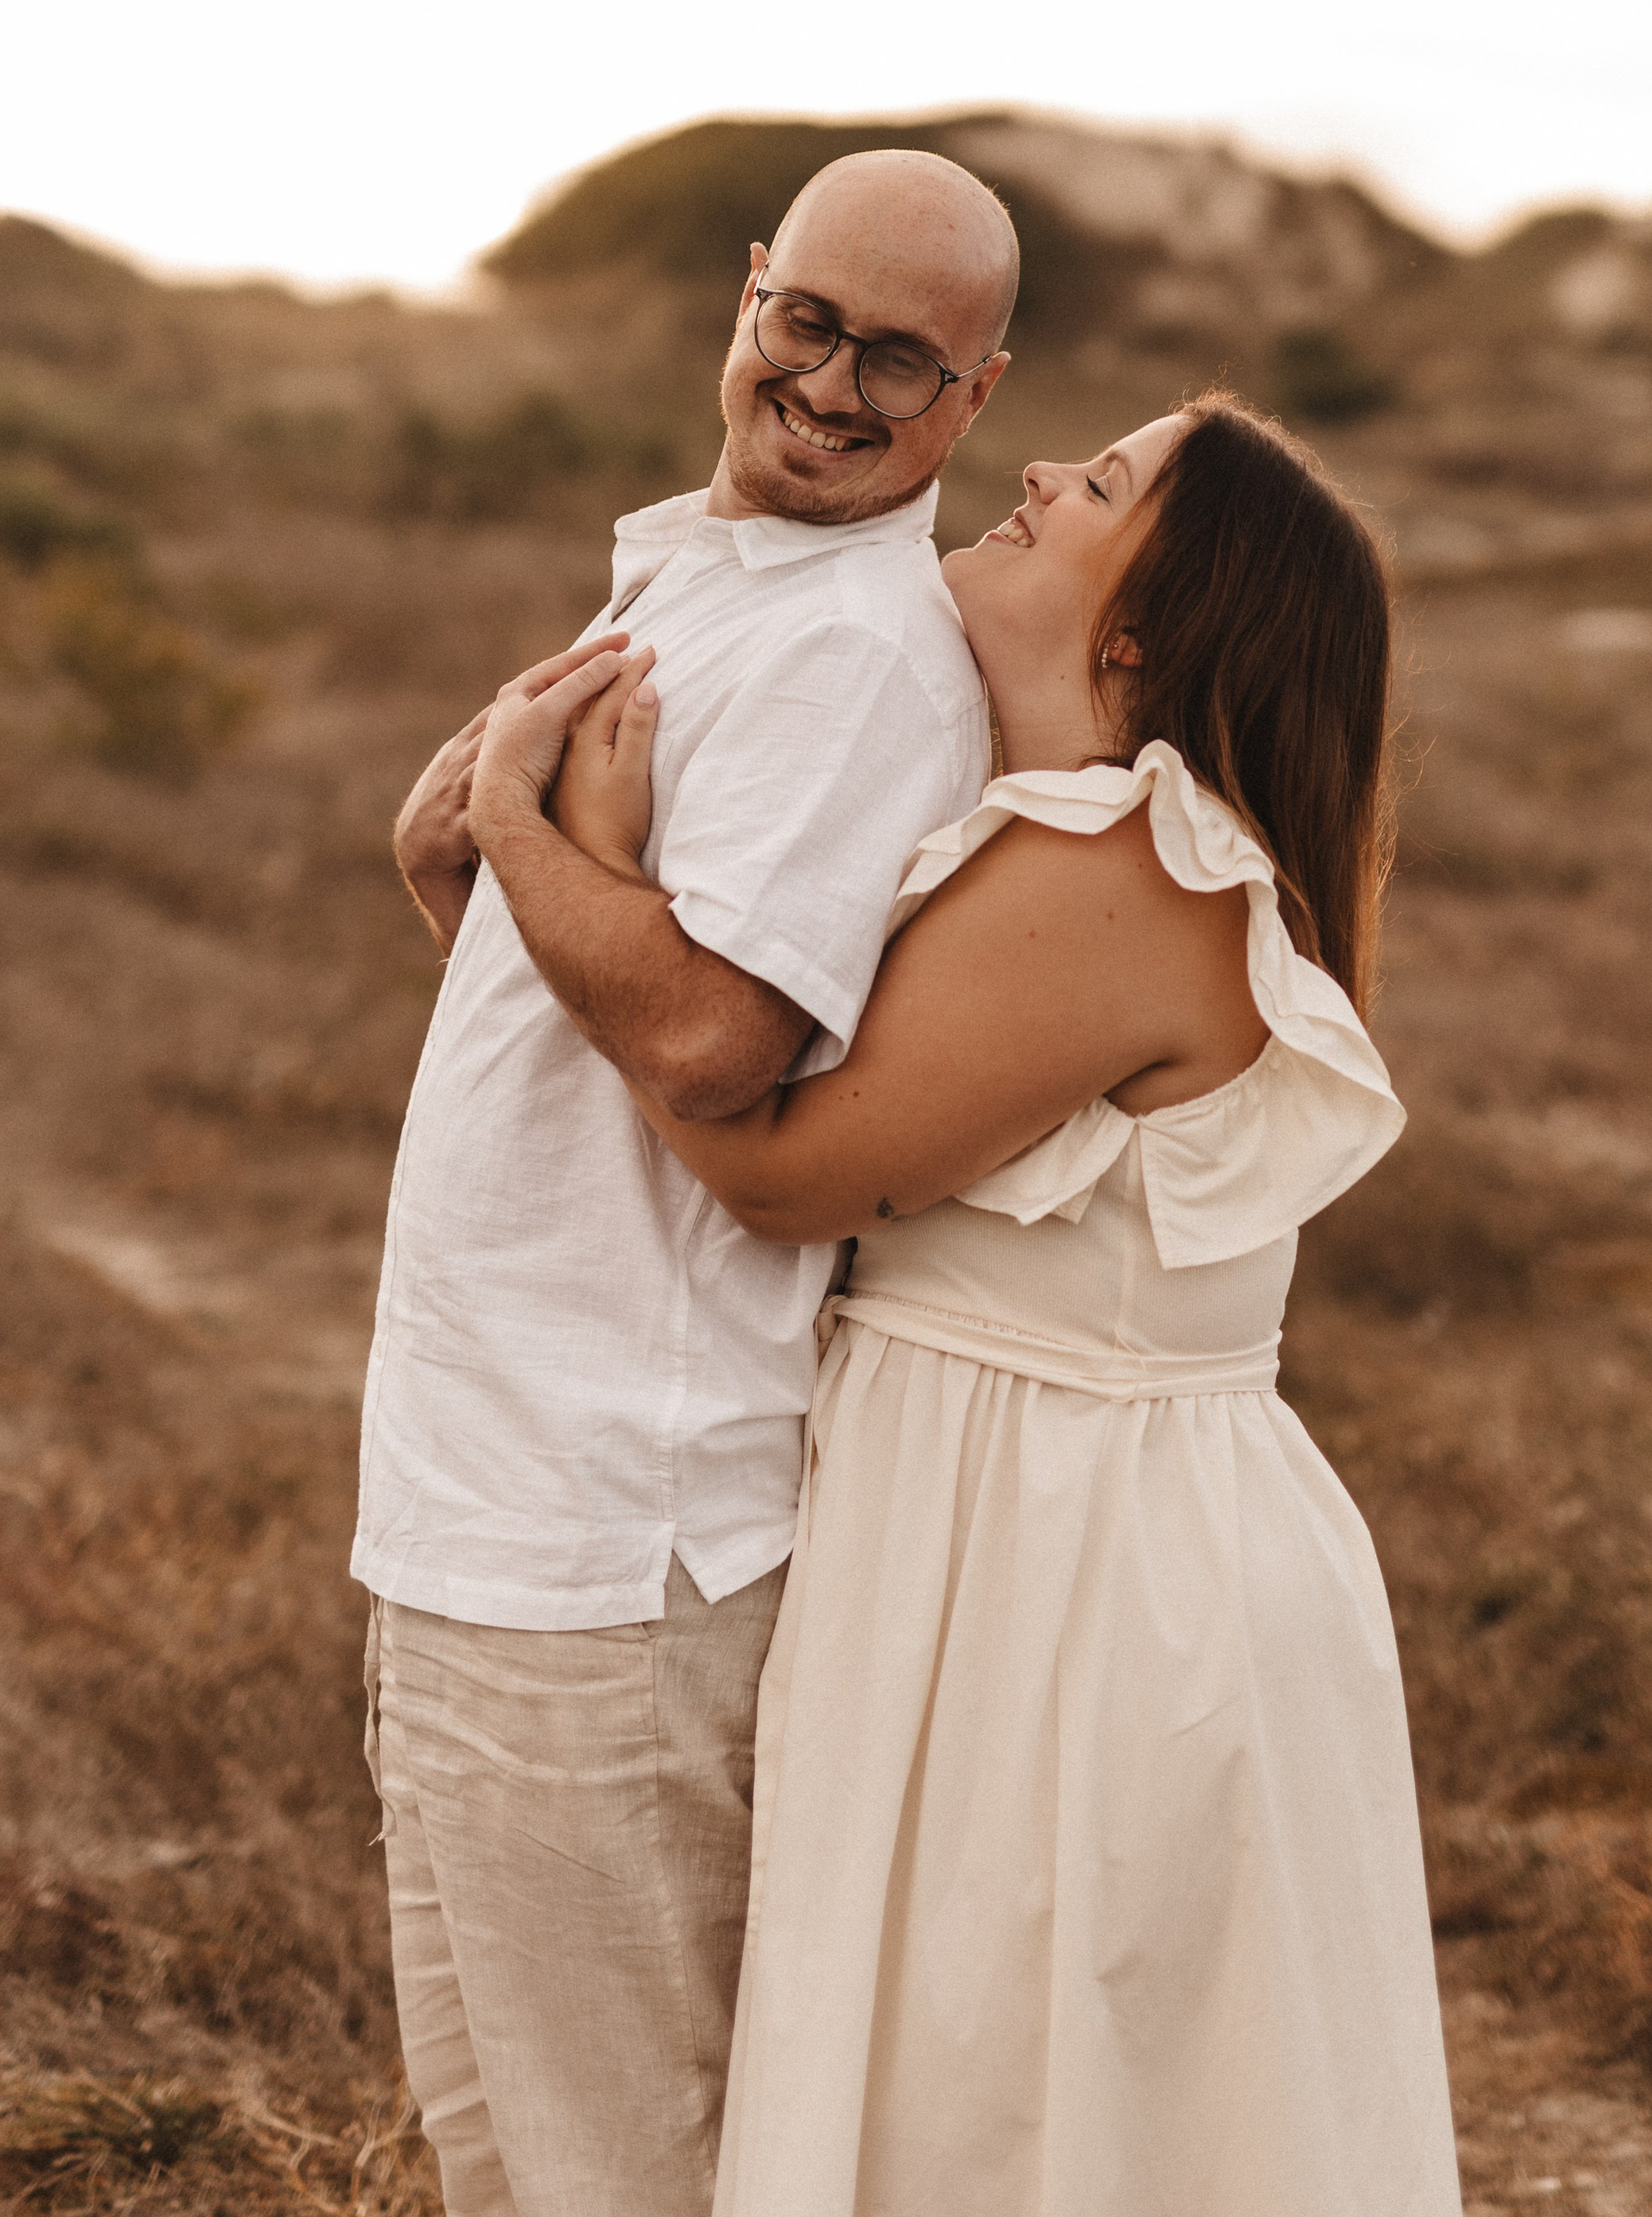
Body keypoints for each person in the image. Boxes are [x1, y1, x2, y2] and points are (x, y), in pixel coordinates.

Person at [531, 391, 1464, 2217]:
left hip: (1075, 1570)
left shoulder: (1124, 872)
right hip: (1041, 1526)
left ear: (1136, 627)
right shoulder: (1055, 834)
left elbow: (781, 1162)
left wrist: (585, 861)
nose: (1037, 473)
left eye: (1100, 483)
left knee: (1028, 2106)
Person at [352, 150, 1018, 2217]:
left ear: (975, 394)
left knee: (611, 2169)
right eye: (808, 319)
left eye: (899, 359)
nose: (832, 385)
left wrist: (530, 840)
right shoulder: (702, 578)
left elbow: (723, 1037)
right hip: (482, 1492)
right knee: (505, 2151)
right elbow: (575, 972)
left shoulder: (855, 656)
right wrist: (470, 857)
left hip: (601, 1528)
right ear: (749, 292)